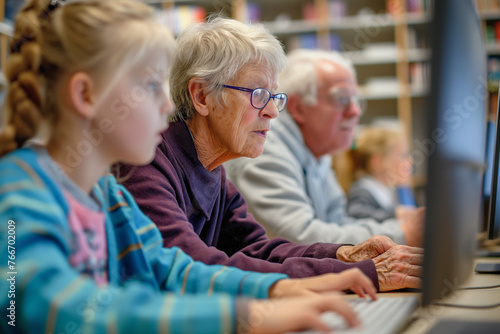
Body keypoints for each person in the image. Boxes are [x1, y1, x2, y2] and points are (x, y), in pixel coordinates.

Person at [0, 1, 380, 333]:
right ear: (85, 94)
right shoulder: (17, 197)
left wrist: (280, 289)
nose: (167, 107)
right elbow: (72, 313)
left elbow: (176, 270)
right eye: (151, 86)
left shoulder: (108, 196)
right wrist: (245, 316)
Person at [117, 17, 423, 293]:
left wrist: (342, 254)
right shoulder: (146, 163)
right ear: (201, 96)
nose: (273, 111)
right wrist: (359, 273)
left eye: (275, 96)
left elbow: (256, 250)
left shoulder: (213, 170)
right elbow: (197, 267)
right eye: (258, 95)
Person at [224, 49, 424, 247]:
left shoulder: (317, 153)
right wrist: (403, 234)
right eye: (341, 99)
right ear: (298, 108)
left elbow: (337, 224)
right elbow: (301, 240)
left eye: (355, 100)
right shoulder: (264, 150)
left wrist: (402, 227)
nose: (354, 111)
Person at [346, 125, 418, 222]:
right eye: (402, 156)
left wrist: (404, 188)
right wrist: (394, 214)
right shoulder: (362, 191)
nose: (410, 161)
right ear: (378, 162)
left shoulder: (391, 189)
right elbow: (355, 214)